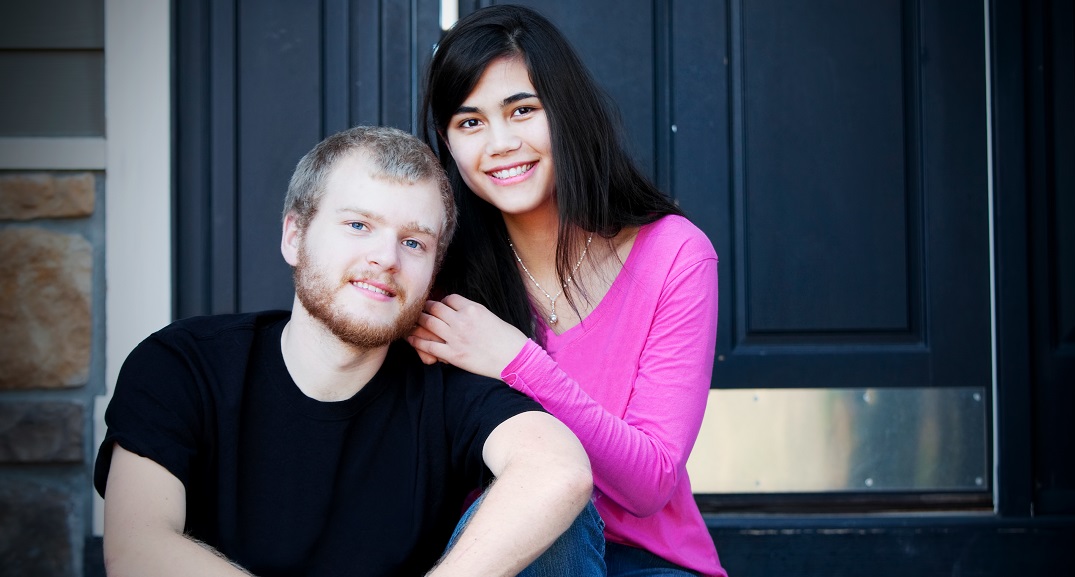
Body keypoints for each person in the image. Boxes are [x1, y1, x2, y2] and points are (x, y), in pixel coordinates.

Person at [93, 125, 601, 577]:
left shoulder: (443, 384)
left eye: (414, 243)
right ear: (295, 236)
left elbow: (557, 471)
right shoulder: (183, 363)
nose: (385, 258)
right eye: (358, 225)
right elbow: (138, 548)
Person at [413, 5, 727, 577]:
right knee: (538, 504)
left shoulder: (674, 255)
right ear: (448, 142)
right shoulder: (438, 274)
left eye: (523, 110)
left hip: (648, 563)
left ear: (567, 111)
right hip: (506, 557)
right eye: (470, 122)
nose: (500, 143)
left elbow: (650, 481)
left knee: (556, 490)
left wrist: (513, 358)